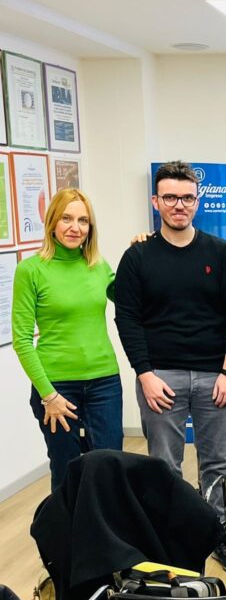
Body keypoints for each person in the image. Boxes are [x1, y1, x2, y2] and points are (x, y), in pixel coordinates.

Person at [114, 161, 226, 563]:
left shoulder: (219, 253)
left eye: (187, 197)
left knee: (217, 464)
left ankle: (216, 532)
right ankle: (170, 541)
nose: (179, 205)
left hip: (215, 377)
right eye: (170, 197)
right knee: (163, 466)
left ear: (198, 201)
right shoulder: (137, 256)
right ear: (156, 202)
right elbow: (128, 320)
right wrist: (145, 375)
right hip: (160, 378)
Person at [12, 188, 123, 489]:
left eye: (83, 221)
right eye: (66, 219)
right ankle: (68, 523)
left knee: (111, 469)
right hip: (57, 387)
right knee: (67, 473)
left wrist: (141, 251)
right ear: (52, 222)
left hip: (104, 382)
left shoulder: (98, 266)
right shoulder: (30, 270)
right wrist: (48, 395)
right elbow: (22, 340)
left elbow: (133, 296)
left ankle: (105, 523)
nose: (75, 228)